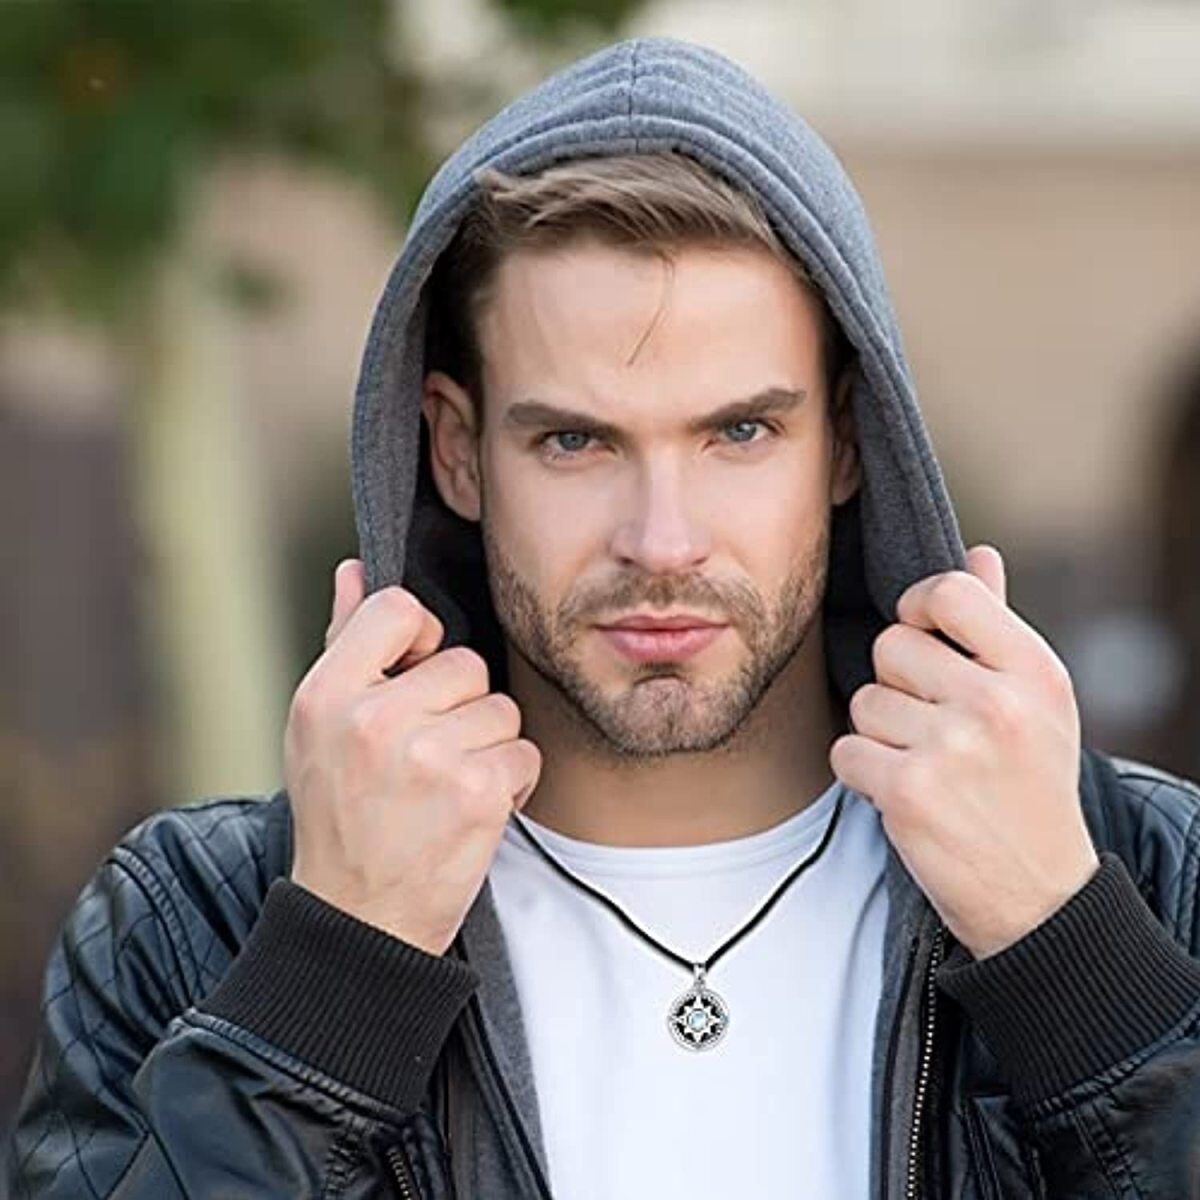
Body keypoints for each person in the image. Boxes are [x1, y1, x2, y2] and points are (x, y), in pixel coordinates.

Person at [6, 35, 1200, 1200]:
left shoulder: (1147, 876)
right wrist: (335, 975)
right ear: (460, 452)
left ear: (843, 441)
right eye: (575, 441)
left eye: (739, 432)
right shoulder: (198, 921)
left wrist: (1071, 956)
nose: (663, 540)